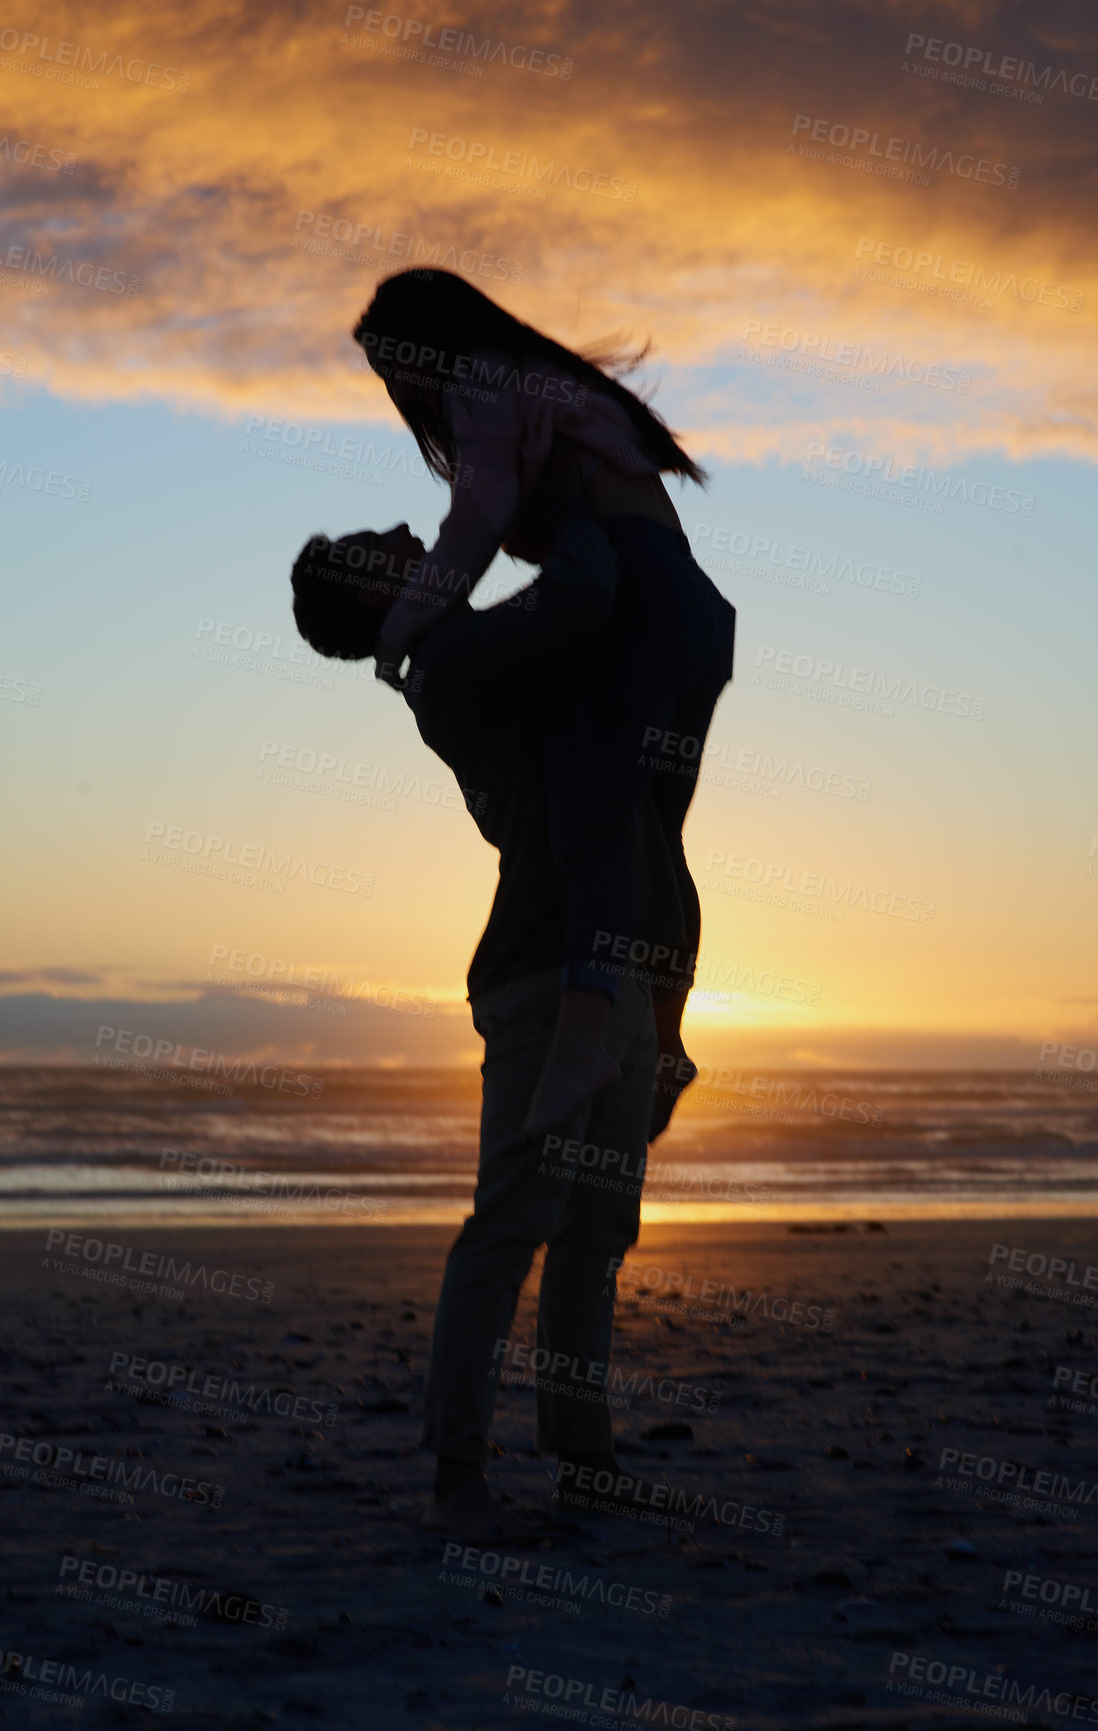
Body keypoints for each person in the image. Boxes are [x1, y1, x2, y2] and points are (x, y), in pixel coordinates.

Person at [290, 503, 726, 1533]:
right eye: (373, 546)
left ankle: (584, 1456)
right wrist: (563, 490)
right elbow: (576, 595)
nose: (402, 525)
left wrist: (665, 1008)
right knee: (516, 1224)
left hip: (610, 976)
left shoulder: (470, 654)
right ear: (370, 595)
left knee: (595, 1230)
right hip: (544, 978)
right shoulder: (452, 664)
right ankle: (457, 1475)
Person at [351, 269, 735, 1141]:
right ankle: (666, 1035)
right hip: (695, 611)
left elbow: (478, 517)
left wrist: (400, 628)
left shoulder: (479, 378)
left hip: (641, 597)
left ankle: (583, 1036)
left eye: (392, 368)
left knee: (589, 821)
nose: (398, 391)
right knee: (651, 838)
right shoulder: (545, 385)